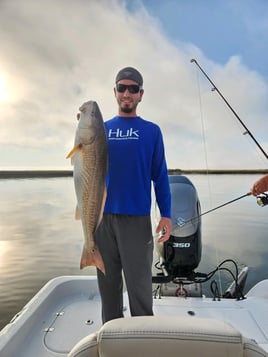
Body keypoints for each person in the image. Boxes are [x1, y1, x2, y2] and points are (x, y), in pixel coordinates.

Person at [81, 67, 172, 323]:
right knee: (109, 291)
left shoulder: (151, 131)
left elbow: (160, 175)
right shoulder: (100, 129)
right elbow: (84, 163)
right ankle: (111, 337)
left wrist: (167, 214)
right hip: (101, 221)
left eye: (133, 88)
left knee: (140, 291)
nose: (127, 93)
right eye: (122, 87)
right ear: (115, 92)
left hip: (137, 221)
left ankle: (141, 341)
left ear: (141, 94)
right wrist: (83, 120)